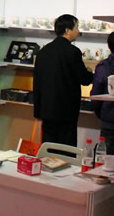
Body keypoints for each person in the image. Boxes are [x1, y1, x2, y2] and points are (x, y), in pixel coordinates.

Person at [33, 14, 94, 146]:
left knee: (48, 148)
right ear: (67, 30)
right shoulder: (73, 52)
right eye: (76, 27)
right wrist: (91, 73)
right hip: (66, 110)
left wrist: (37, 109)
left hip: (46, 109)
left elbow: (37, 82)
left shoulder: (43, 52)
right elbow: (84, 79)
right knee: (66, 148)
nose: (78, 31)